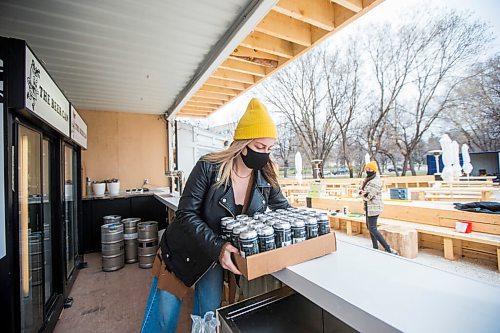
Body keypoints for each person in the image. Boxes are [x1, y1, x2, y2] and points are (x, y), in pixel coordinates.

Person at [141, 98, 290, 332]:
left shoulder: (266, 176)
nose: (265, 154)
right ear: (243, 144)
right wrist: (218, 247)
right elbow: (185, 213)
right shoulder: (209, 167)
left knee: (207, 318)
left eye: (270, 148)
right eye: (260, 147)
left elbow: (284, 211)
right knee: (163, 318)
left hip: (216, 259)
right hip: (183, 252)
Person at [359, 161, 398, 254]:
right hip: (368, 207)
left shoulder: (376, 181)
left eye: (370, 169)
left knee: (373, 228)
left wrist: (361, 194)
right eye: (367, 169)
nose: (368, 171)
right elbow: (361, 189)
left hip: (374, 207)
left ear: (374, 170)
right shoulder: (368, 179)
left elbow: (368, 196)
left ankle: (388, 249)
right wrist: (362, 193)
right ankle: (375, 247)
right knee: (369, 227)